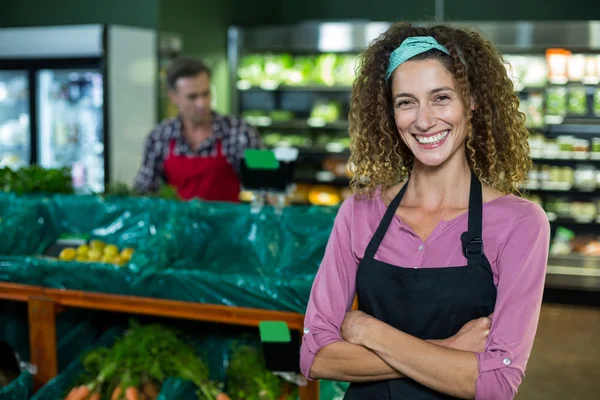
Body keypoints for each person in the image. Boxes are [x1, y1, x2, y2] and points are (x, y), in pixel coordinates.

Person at [300, 22, 550, 399]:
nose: (424, 120)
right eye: (406, 102)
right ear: (390, 113)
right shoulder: (359, 213)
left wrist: (372, 333)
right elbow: (315, 357)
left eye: (441, 97)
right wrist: (450, 348)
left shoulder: (520, 223)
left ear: (473, 101)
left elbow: (496, 382)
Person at [133, 57, 263, 202]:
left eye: (205, 94)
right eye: (192, 97)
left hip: (227, 223)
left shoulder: (241, 132)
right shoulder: (159, 137)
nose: (202, 103)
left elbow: (268, 177)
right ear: (173, 97)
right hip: (178, 223)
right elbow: (143, 191)